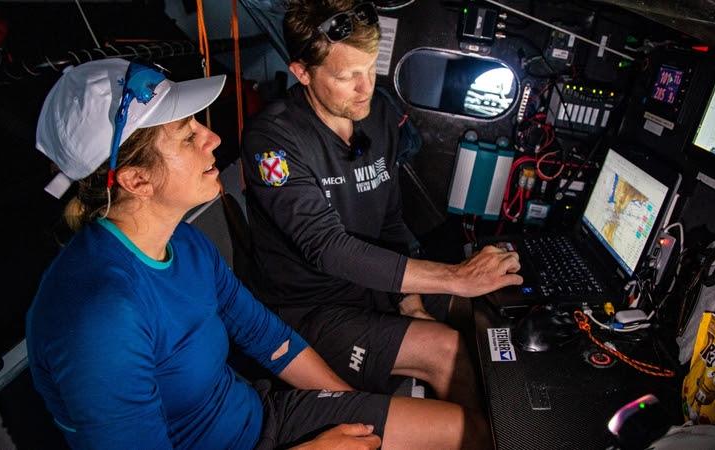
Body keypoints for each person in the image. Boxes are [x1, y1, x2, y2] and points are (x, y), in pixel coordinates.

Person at [26, 58, 487, 449]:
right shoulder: (99, 317)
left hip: (262, 417)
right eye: (188, 137)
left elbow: (265, 335)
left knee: (475, 432)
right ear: (136, 181)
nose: (213, 139)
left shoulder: (182, 243)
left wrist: (355, 416)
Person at [241, 0, 522, 416]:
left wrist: (409, 298)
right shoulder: (273, 141)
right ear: (302, 73)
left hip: (375, 287)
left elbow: (390, 221)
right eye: (346, 76)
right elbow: (328, 248)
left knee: (490, 309)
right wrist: (454, 277)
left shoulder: (377, 117)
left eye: (370, 68)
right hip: (310, 310)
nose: (365, 88)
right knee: (447, 349)